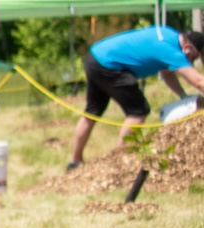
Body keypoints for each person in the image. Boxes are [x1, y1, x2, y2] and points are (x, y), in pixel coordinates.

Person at [68, 26, 204, 169]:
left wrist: (183, 96)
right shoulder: (171, 51)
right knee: (138, 111)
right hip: (110, 65)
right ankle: (121, 162)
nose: (191, 62)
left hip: (95, 56)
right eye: (193, 57)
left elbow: (167, 73)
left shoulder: (169, 34)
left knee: (93, 111)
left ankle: (75, 162)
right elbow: (198, 81)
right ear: (187, 47)